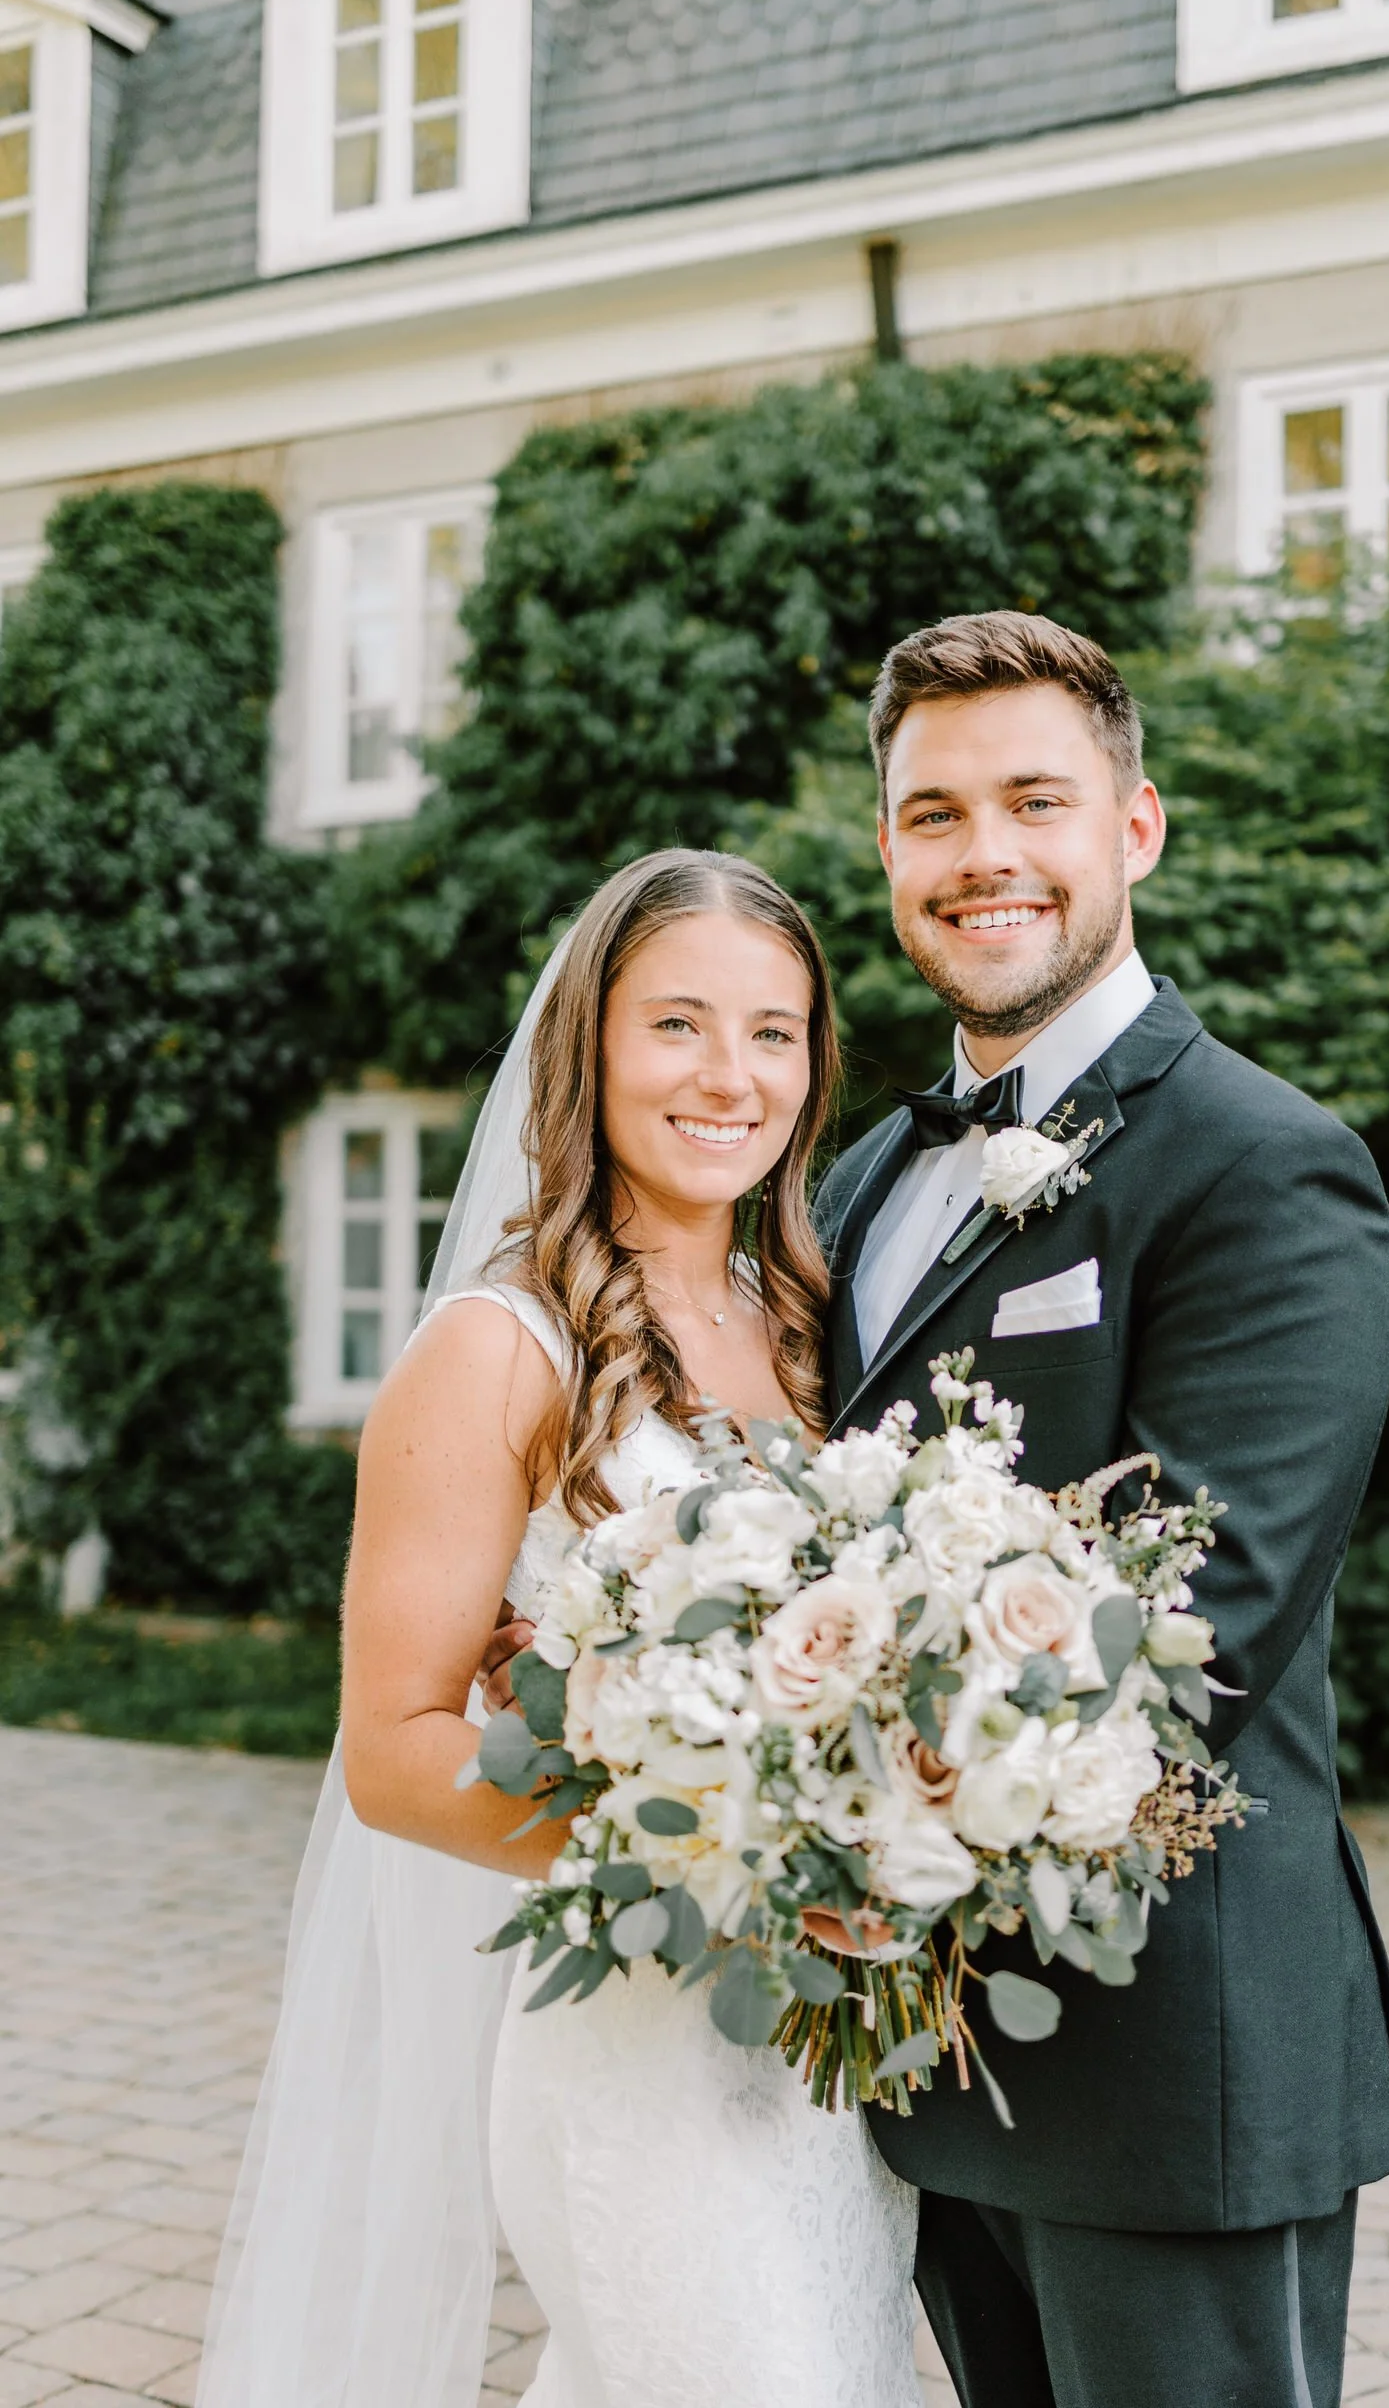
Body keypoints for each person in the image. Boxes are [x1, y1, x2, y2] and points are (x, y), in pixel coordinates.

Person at [197, 849, 919, 2408]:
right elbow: (394, 1755)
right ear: (586, 1047)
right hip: (637, 2046)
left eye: (775, 1032)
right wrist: (724, 1857)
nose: (732, 1076)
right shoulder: (494, 1350)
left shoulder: (806, 1322)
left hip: (820, 2069)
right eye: (677, 1025)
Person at [811, 610, 1389, 2408]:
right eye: (936, 815)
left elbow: (1204, 1623)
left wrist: (839, 1801)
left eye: (1035, 801)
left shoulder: (1262, 1161)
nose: (984, 855)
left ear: (1134, 827)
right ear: (890, 853)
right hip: (933, 2043)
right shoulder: (861, 1174)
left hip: (1171, 2047)